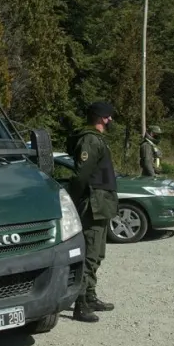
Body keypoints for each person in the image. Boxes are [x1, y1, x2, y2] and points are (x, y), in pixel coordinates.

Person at [66, 101, 119, 323]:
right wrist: (76, 200)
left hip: (102, 203)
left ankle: (90, 295)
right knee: (89, 255)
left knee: (97, 254)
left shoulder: (98, 140)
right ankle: (81, 304)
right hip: (94, 204)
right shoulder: (90, 140)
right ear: (100, 118)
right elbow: (81, 176)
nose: (111, 120)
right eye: (108, 117)